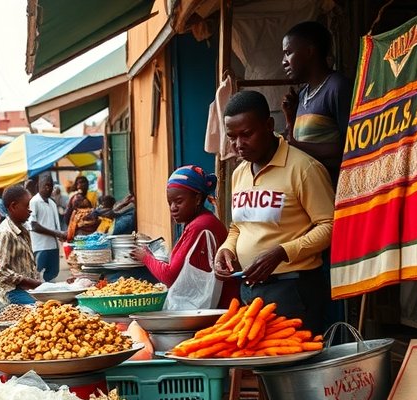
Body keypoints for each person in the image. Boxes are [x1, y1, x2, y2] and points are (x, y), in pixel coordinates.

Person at [214, 90, 336, 335]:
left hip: (293, 289)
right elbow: (239, 226)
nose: (238, 144)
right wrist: (226, 249)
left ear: (269, 125)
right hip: (249, 289)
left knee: (295, 358)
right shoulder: (239, 173)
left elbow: (330, 225)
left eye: (247, 134)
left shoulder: (303, 168)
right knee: (257, 357)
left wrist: (282, 252)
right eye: (232, 137)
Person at [131, 166, 235, 307]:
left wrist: (146, 258)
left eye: (179, 201)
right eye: (170, 203)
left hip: (218, 309)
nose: (173, 208)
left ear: (197, 199)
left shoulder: (200, 226)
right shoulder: (201, 221)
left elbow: (170, 277)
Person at [280, 20, 353, 184]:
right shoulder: (303, 93)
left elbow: (350, 145)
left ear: (309, 52)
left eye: (288, 53)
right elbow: (293, 139)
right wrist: (290, 117)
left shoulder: (337, 87)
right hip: (308, 186)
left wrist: (297, 146)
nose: (283, 61)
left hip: (333, 187)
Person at [0, 184, 44, 306]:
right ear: (13, 206)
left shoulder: (23, 231)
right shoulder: (5, 233)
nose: (30, 210)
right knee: (41, 308)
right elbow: (1, 271)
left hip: (27, 289)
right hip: (11, 291)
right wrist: (29, 282)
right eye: (27, 206)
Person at [28, 175, 66, 282]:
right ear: (39, 186)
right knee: (38, 273)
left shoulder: (52, 203)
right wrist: (56, 233)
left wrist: (60, 235)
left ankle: (48, 290)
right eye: (46, 185)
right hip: (41, 246)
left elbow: (56, 224)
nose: (48, 188)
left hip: (53, 246)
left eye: (51, 186)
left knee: (53, 273)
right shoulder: (34, 202)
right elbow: (33, 225)